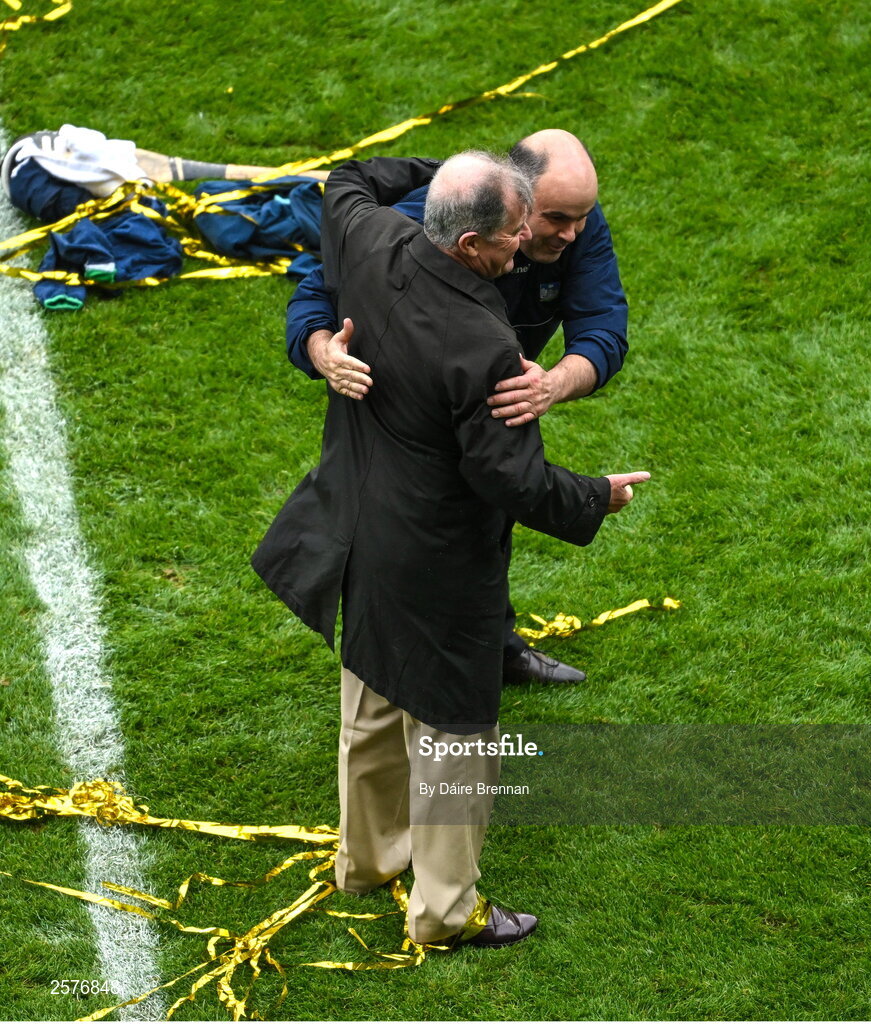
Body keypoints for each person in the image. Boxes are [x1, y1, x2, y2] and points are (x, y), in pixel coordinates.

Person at [252, 152, 650, 948]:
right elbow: (513, 479)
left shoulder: (366, 240)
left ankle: (366, 862)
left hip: (357, 529)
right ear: (470, 245)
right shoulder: (482, 340)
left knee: (369, 703)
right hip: (438, 559)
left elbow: (347, 178)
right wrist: (595, 495)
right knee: (456, 736)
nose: (525, 243)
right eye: (513, 233)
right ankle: (443, 911)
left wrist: (462, 167)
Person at [286, 129, 628, 687]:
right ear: (501, 216)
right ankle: (404, 662)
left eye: (582, 217)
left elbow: (604, 327)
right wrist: (320, 348)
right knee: (420, 514)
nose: (573, 234)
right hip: (409, 396)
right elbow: (319, 289)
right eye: (552, 220)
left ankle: (489, 647)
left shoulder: (575, 223)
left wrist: (555, 384)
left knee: (487, 511)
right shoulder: (425, 217)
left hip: (493, 386)